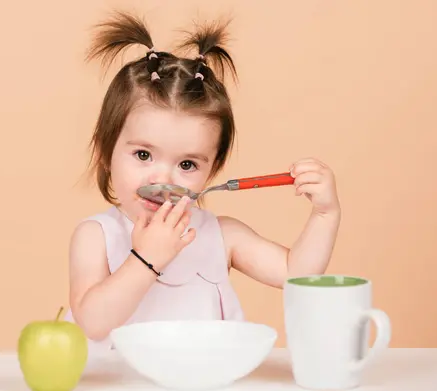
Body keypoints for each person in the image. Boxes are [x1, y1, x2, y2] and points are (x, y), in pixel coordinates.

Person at [64, 12, 341, 353]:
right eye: (143, 155)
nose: (162, 178)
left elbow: (299, 275)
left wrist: (324, 214)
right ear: (106, 152)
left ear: (211, 171)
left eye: (186, 164)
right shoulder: (96, 236)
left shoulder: (221, 236)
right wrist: (145, 259)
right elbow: (92, 322)